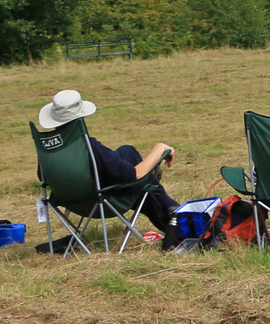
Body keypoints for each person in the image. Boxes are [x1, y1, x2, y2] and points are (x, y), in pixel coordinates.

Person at [37, 89, 181, 241]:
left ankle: (170, 208)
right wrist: (160, 149)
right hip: (102, 200)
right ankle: (176, 217)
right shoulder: (89, 147)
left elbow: (42, 176)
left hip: (72, 201)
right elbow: (135, 174)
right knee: (145, 181)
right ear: (81, 117)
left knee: (127, 151)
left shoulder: (48, 151)